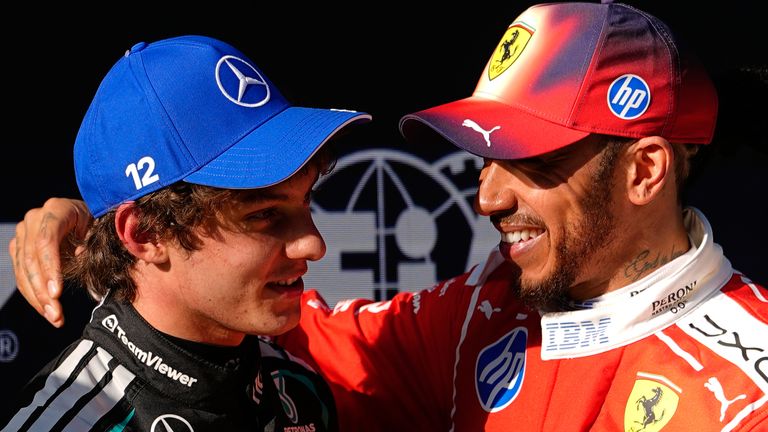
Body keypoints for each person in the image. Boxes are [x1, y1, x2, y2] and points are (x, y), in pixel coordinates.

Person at [9, 2, 768, 431]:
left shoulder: (749, 392)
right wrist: (109, 219)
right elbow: (228, 320)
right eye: (483, 159)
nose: (489, 197)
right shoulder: (484, 309)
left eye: (532, 162)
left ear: (644, 171)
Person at [2, 34, 371, 431]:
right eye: (264, 214)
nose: (314, 244)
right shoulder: (69, 422)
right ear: (144, 234)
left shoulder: (301, 389)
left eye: (305, 202)